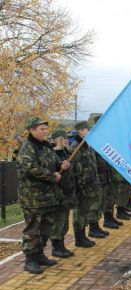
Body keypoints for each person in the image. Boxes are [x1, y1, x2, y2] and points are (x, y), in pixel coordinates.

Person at [17, 116, 70, 274]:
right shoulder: (27, 148)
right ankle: (30, 260)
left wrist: (62, 164)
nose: (45, 131)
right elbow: (30, 168)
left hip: (48, 197)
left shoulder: (46, 147)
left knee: (46, 228)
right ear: (32, 130)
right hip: (33, 198)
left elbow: (54, 161)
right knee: (33, 230)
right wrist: (52, 176)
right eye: (42, 129)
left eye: (46, 129)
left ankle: (39, 255)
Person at [71, 121, 101, 247]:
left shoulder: (86, 146)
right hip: (80, 187)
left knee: (85, 212)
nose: (89, 131)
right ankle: (79, 238)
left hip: (89, 186)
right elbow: (76, 170)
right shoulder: (76, 146)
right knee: (79, 213)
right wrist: (81, 185)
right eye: (87, 129)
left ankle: (83, 235)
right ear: (80, 131)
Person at [50, 128, 76, 258]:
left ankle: (61, 245)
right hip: (58, 193)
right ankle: (56, 247)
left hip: (67, 191)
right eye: (63, 138)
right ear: (56, 139)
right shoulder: (52, 153)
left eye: (66, 138)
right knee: (58, 221)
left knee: (64, 222)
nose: (66, 140)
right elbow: (52, 169)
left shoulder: (66, 152)